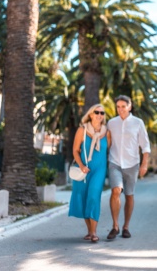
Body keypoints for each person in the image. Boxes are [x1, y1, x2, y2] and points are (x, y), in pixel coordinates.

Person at [106, 95, 150, 240]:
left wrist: (144, 164)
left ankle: (126, 227)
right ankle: (115, 226)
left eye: (123, 107)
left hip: (132, 164)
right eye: (118, 107)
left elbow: (145, 145)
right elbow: (106, 141)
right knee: (116, 191)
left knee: (129, 195)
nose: (120, 110)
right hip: (115, 162)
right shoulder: (111, 123)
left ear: (129, 107)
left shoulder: (138, 123)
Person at [69, 104, 111, 243]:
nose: (100, 115)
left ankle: (93, 232)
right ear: (91, 114)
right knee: (83, 198)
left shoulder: (107, 132)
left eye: (102, 113)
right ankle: (89, 231)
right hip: (84, 169)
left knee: (93, 196)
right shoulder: (82, 130)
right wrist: (81, 166)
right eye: (97, 112)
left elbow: (108, 151)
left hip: (99, 170)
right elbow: (75, 150)